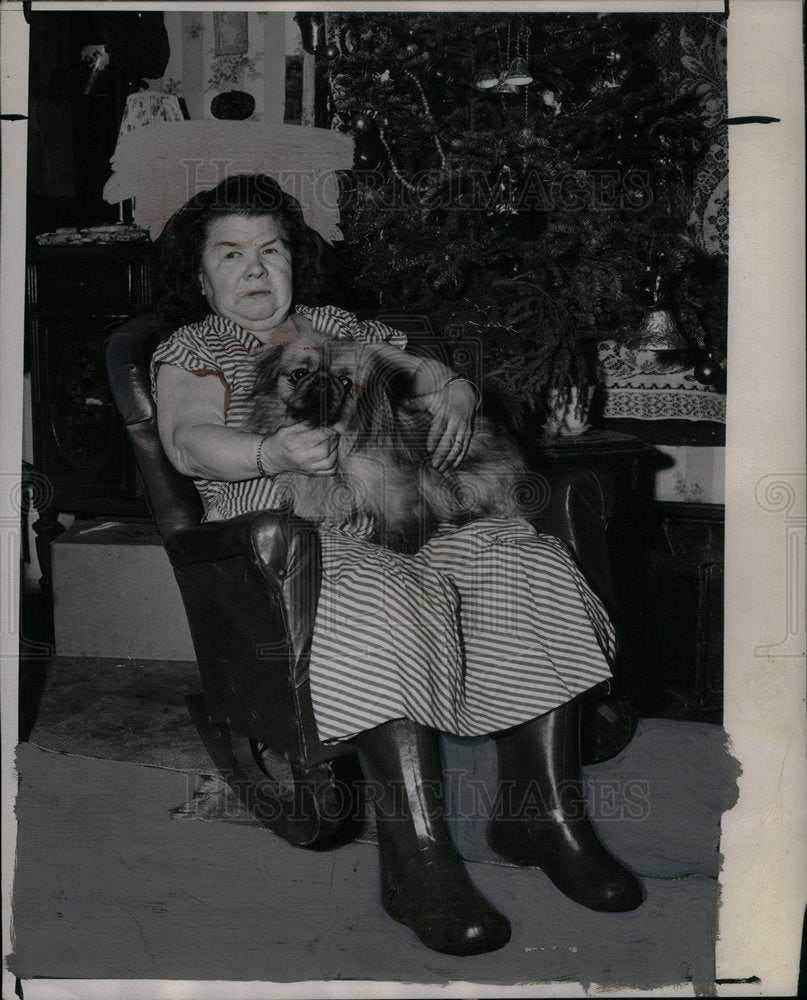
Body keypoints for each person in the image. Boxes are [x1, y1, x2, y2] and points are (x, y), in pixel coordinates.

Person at [151, 174, 643, 957]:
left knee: (523, 563)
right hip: (286, 537)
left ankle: (540, 814)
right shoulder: (195, 349)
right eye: (231, 254)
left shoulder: (332, 326)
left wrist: (452, 391)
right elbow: (187, 439)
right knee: (380, 592)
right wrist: (266, 450)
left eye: (270, 250)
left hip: (406, 508)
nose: (254, 269)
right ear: (200, 273)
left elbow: (422, 371)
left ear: (294, 263)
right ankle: (414, 857)